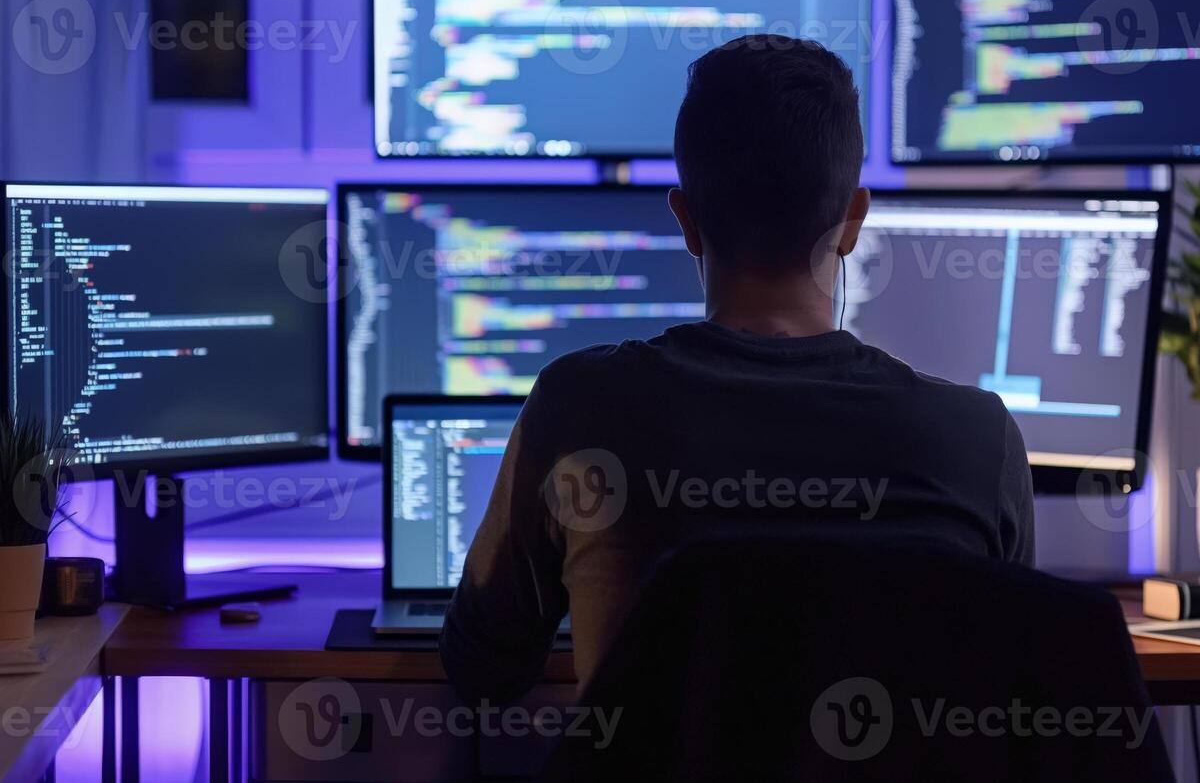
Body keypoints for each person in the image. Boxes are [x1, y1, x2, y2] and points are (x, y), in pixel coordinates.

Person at [441, 35, 1035, 702]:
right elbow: (1013, 683)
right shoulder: (978, 439)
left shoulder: (577, 407)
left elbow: (484, 670)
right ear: (853, 221)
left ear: (686, 221)